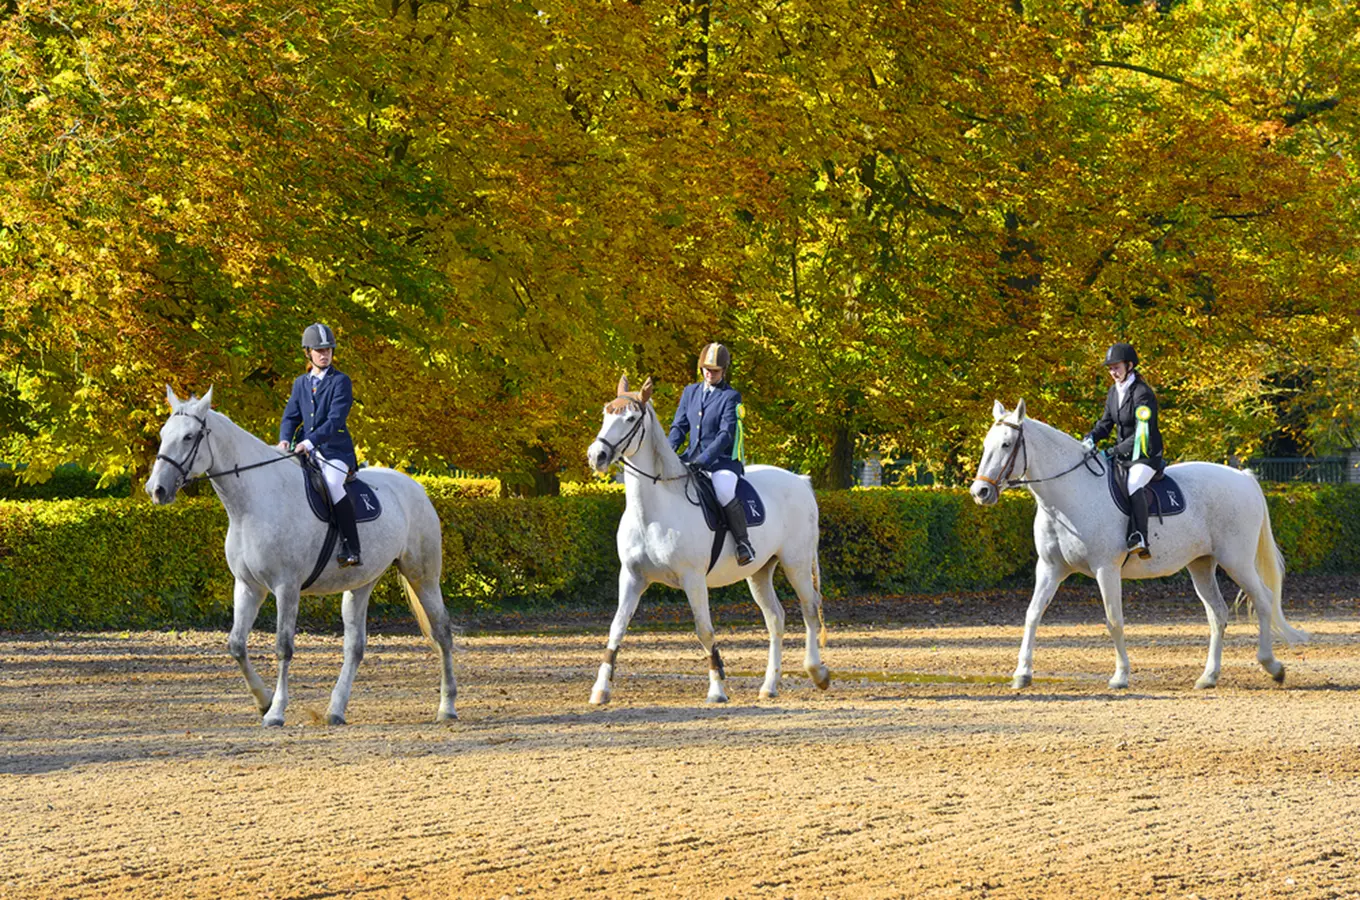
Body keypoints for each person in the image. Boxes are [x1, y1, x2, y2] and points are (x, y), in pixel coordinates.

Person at [278, 323, 362, 567]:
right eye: (319, 350)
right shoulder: (300, 383)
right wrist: (285, 437)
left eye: (328, 350)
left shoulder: (341, 381)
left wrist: (309, 441)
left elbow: (336, 419)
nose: (325, 354)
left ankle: (352, 547)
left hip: (335, 450)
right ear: (308, 352)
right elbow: (291, 416)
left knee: (334, 484)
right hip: (304, 450)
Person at [668, 342, 754, 565]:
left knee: (723, 491)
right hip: (690, 457)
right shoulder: (690, 392)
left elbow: (726, 435)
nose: (710, 373)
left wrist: (704, 460)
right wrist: (668, 453)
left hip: (721, 462)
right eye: (706, 369)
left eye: (715, 371)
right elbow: (679, 426)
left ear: (724, 371)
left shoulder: (730, 397)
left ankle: (743, 543)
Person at [1083, 342, 1164, 559]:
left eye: (1116, 367)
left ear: (1129, 366)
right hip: (1123, 456)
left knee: (1133, 483)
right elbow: (1106, 423)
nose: (1112, 372)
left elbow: (1142, 436)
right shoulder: (1114, 391)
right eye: (1110, 368)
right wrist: (1090, 437)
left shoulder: (1142, 393)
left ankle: (1140, 537)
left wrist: (1112, 451)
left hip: (1145, 456)